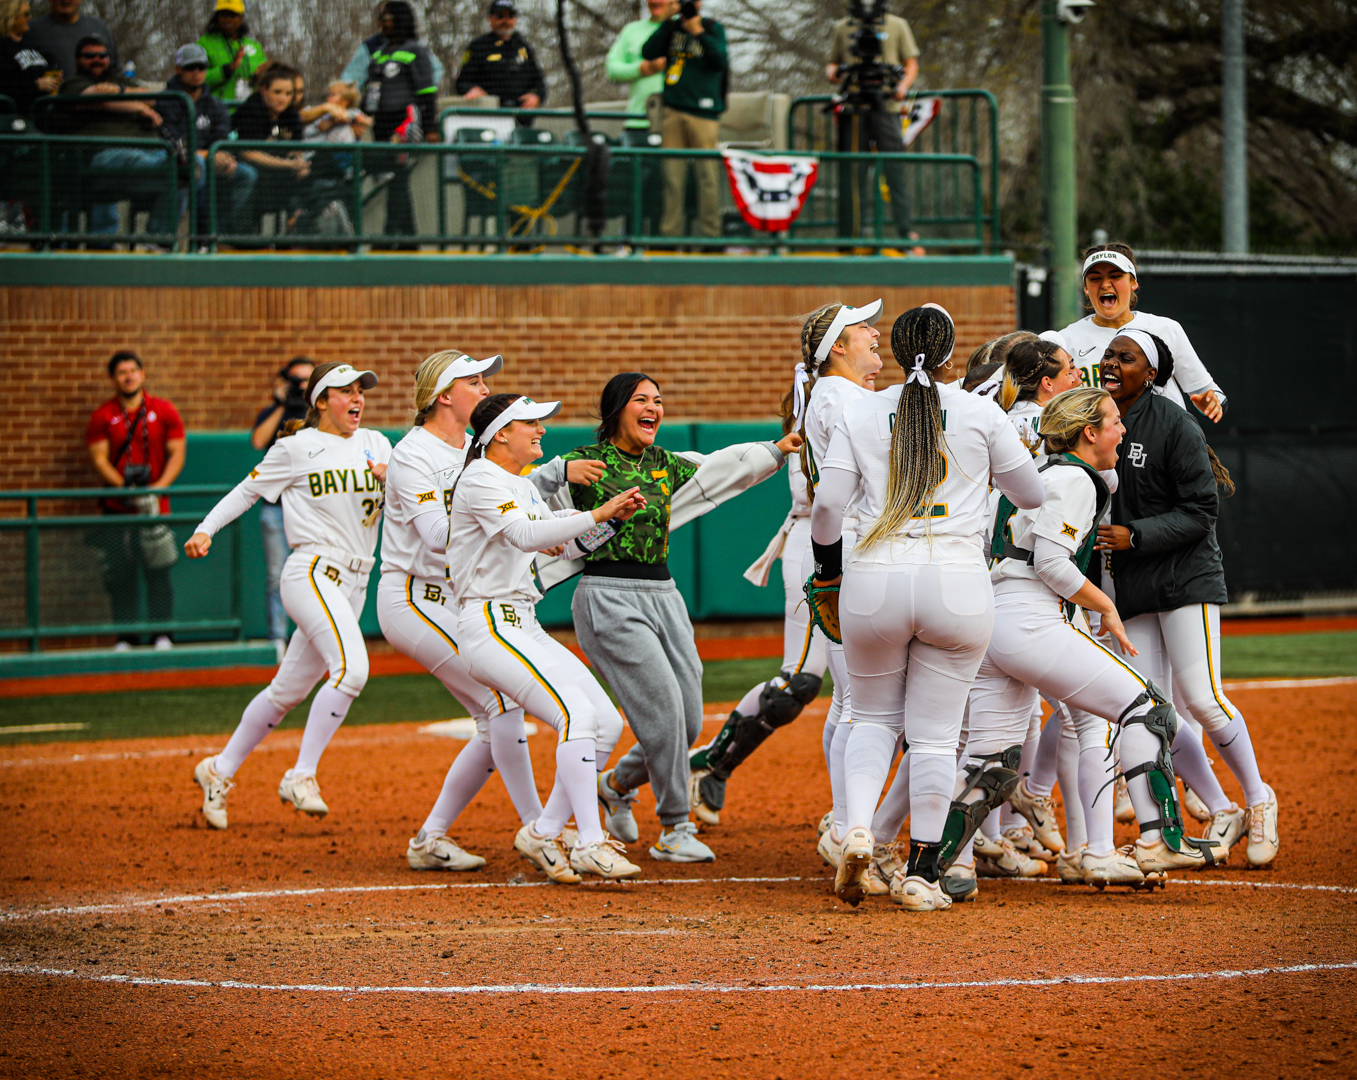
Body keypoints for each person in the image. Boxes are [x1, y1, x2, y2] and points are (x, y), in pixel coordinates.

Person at [809, 304, 1044, 911]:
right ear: (948, 355)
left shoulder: (861, 409)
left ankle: (856, 829)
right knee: (937, 740)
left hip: (875, 575)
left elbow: (827, 507)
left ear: (893, 347)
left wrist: (828, 574)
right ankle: (922, 872)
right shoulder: (979, 411)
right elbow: (1033, 494)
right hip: (958, 579)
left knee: (870, 719)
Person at [961, 386, 1232, 900]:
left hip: (995, 619)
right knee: (1148, 708)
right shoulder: (1073, 478)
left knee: (994, 756)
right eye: (1113, 422)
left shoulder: (1043, 472)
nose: (1123, 429)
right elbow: (1052, 563)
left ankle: (942, 862)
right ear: (1089, 432)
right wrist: (1103, 606)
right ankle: (1157, 839)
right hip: (1030, 618)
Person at [377, 350, 612, 874]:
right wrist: (517, 527)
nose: (485, 388)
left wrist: (543, 512)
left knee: (500, 709)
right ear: (444, 396)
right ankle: (540, 830)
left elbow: (503, 515)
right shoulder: (413, 454)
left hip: (462, 594)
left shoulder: (479, 455)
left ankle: (439, 836)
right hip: (416, 594)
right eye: (474, 381)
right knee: (499, 705)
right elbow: (441, 536)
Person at [555, 373, 801, 864]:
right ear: (616, 410)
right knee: (663, 716)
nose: (654, 408)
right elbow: (526, 505)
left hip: (664, 594)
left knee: (686, 721)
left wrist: (777, 449)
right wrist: (558, 475)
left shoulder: (666, 464)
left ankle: (616, 785)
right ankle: (674, 827)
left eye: (658, 401)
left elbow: (722, 468)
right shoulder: (586, 464)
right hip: (607, 595)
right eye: (641, 400)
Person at [694, 301, 883, 882]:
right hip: (818, 542)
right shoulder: (829, 400)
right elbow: (830, 491)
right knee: (807, 683)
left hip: (844, 541)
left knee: (848, 696)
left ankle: (841, 816)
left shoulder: (843, 398)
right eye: (863, 332)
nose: (876, 338)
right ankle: (708, 764)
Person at [1095, 328, 1280, 867]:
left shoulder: (1174, 423)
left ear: (1151, 374)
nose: (1111, 362)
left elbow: (1203, 512)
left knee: (1201, 698)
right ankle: (1223, 810)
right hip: (1131, 583)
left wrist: (1138, 535)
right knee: (1155, 710)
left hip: (1183, 576)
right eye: (1109, 354)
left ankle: (1258, 798)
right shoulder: (1096, 417)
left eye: (1125, 357)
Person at [446, 393, 648, 881]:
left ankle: (543, 832)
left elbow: (562, 545)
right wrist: (599, 514)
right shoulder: (479, 479)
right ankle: (589, 842)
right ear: (499, 434)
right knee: (575, 714)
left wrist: (609, 523)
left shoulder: (521, 486)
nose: (540, 430)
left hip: (521, 622)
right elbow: (522, 536)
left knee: (603, 721)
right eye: (530, 424)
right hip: (488, 622)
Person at [186, 362, 391, 830]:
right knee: (352, 669)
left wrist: (391, 479)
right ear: (321, 402)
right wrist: (205, 529)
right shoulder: (296, 447)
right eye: (346, 391)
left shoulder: (378, 444)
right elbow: (246, 491)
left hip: (357, 580)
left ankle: (218, 770)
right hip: (313, 570)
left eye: (361, 390)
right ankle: (301, 774)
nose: (358, 398)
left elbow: (403, 506)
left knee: (286, 691)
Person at [85, 350, 185, 651]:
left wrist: (157, 488)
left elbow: (178, 451)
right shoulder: (103, 415)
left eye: (133, 370)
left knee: (159, 572)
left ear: (143, 374)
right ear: (113, 379)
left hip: (156, 508)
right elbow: (99, 459)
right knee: (121, 575)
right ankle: (126, 636)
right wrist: (125, 489)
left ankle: (162, 634)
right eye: (121, 372)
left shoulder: (164, 410)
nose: (128, 376)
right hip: (118, 509)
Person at [1060, 244, 1226, 418]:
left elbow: (1210, 392)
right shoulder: (1064, 341)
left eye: (1115, 276)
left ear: (1133, 282)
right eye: (1095, 279)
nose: (1105, 284)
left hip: (1165, 441)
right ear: (1085, 288)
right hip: (1102, 441)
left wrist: (1213, 402)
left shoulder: (1166, 329)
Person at [59, 36, 183, 242]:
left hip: (147, 150)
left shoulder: (119, 81)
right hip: (103, 156)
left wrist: (121, 91)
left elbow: (149, 96)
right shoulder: (73, 83)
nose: (97, 60)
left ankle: (158, 242)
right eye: (89, 56)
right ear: (78, 60)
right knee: (172, 166)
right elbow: (96, 98)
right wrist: (137, 106)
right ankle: (176, 161)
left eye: (102, 55)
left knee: (189, 173)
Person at [826, 3, 919, 246]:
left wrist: (902, 88)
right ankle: (851, 237)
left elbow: (911, 63)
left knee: (895, 172)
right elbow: (832, 65)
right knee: (853, 175)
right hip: (854, 110)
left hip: (886, 108)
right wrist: (836, 73)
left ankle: (905, 234)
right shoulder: (842, 27)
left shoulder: (897, 24)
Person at [641, 0, 727, 242]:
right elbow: (648, 52)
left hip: (704, 113)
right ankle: (670, 238)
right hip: (673, 110)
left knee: (707, 177)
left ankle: (711, 238)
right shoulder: (672, 29)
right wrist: (669, 23)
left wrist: (697, 31)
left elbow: (720, 61)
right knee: (672, 177)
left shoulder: (713, 28)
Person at [160, 42, 257, 239]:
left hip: (210, 158)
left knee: (247, 174)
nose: (196, 72)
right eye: (190, 67)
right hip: (175, 161)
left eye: (201, 67)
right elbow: (173, 138)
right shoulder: (166, 100)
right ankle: (199, 235)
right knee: (198, 166)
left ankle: (215, 230)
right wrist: (207, 155)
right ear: (178, 69)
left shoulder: (215, 104)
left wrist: (222, 157)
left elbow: (221, 137)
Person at [250, 356, 313, 659]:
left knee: (314, 572)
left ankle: (312, 635)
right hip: (276, 507)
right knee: (277, 574)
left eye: (307, 381)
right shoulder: (274, 412)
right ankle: (278, 638)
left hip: (312, 506)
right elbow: (257, 440)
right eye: (296, 381)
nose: (300, 387)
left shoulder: (320, 413)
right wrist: (280, 403)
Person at [362, 0, 438, 240]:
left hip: (405, 123)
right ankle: (409, 239)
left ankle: (389, 235)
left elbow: (427, 92)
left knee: (398, 177)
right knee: (393, 179)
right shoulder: (379, 54)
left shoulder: (416, 51)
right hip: (381, 125)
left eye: (387, 19)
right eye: (381, 20)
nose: (382, 25)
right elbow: (371, 92)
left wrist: (431, 127)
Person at [231, 64, 309, 233]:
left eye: (289, 94)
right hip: (247, 168)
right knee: (255, 176)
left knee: (312, 175)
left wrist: (299, 165)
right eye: (277, 92)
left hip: (279, 172)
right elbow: (248, 153)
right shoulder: (250, 110)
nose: (283, 99)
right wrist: (288, 165)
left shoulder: (291, 114)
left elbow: (297, 149)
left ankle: (298, 226)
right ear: (264, 90)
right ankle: (241, 236)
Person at [454, 0, 546, 125]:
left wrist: (537, 97)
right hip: (490, 117)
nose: (506, 21)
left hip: (521, 117)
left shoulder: (523, 47)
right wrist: (472, 89)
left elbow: (539, 82)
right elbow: (461, 82)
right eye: (500, 16)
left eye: (510, 16)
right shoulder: (479, 46)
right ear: (490, 19)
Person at [343, 2, 445, 91]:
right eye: (383, 17)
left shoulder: (416, 48)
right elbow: (350, 80)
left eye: (389, 17)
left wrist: (417, 93)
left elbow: (436, 71)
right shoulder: (370, 47)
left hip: (408, 107)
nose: (385, 22)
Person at [606, 0, 673, 129]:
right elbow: (611, 69)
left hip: (679, 122)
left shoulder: (688, 27)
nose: (656, 1)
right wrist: (642, 68)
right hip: (639, 121)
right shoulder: (631, 30)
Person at [25, 0, 115, 81]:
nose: (65, 1)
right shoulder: (31, 30)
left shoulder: (100, 27)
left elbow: (116, 69)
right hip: (54, 97)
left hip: (96, 96)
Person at [0, 0, 61, 118]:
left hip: (42, 117)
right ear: (11, 17)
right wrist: (35, 86)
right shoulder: (3, 47)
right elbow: (5, 84)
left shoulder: (29, 42)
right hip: (15, 120)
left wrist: (53, 77)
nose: (30, 18)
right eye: (26, 14)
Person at [198, 0, 266, 104]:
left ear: (241, 18)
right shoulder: (204, 44)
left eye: (233, 15)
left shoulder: (254, 46)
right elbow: (196, 78)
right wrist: (227, 70)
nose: (227, 20)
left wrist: (260, 75)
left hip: (250, 111)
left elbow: (265, 74)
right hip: (220, 110)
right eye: (223, 15)